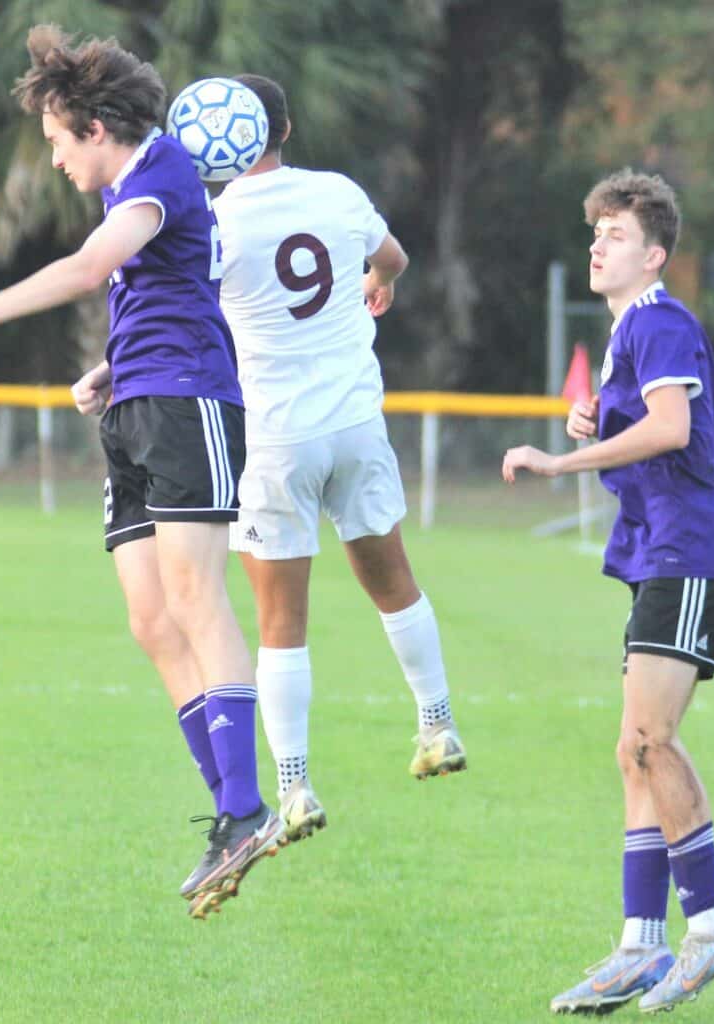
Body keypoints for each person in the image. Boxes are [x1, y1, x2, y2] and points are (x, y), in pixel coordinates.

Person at [0, 25, 284, 921]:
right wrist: (114, 368)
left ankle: (247, 806)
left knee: (194, 599)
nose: (56, 159)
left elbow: (91, 267)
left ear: (95, 127)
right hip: (137, 404)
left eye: (58, 141)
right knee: (150, 619)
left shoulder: (163, 169)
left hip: (188, 406)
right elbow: (170, 284)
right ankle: (232, 813)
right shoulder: (141, 188)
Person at [501, 169, 714, 1015]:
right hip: (663, 550)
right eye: (594, 233)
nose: (597, 245)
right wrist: (598, 418)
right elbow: (648, 417)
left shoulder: (659, 319)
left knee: (652, 738)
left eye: (614, 235)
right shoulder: (630, 336)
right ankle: (640, 944)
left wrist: (561, 457)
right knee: (631, 750)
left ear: (654, 256)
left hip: (693, 549)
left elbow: (674, 427)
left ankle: (712, 923)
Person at [213, 74, 468, 839]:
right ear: (286, 128)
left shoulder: (216, 221)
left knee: (280, 618)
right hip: (356, 421)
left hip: (277, 435)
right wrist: (376, 280)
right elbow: (394, 257)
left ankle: (294, 788)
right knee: (393, 579)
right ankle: (438, 724)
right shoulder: (336, 192)